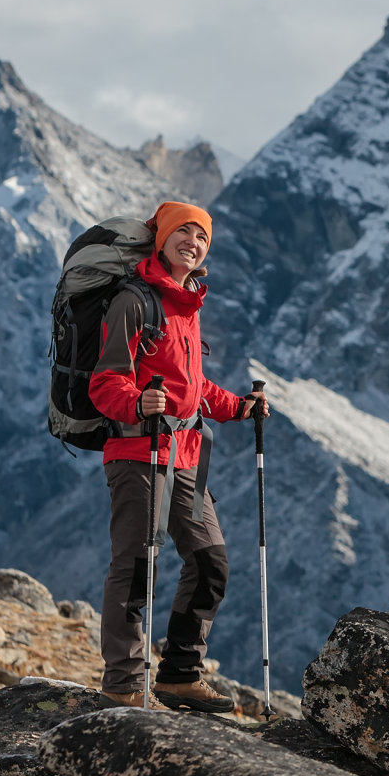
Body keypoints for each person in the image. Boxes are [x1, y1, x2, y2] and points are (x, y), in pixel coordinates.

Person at [89, 200, 267, 711]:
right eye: (184, 233)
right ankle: (123, 683)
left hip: (185, 455)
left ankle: (178, 675)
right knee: (137, 564)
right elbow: (106, 382)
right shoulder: (135, 301)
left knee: (211, 562)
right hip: (138, 451)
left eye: (203, 238)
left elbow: (193, 388)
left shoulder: (186, 303)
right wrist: (136, 401)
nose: (193, 243)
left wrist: (239, 407)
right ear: (162, 238)